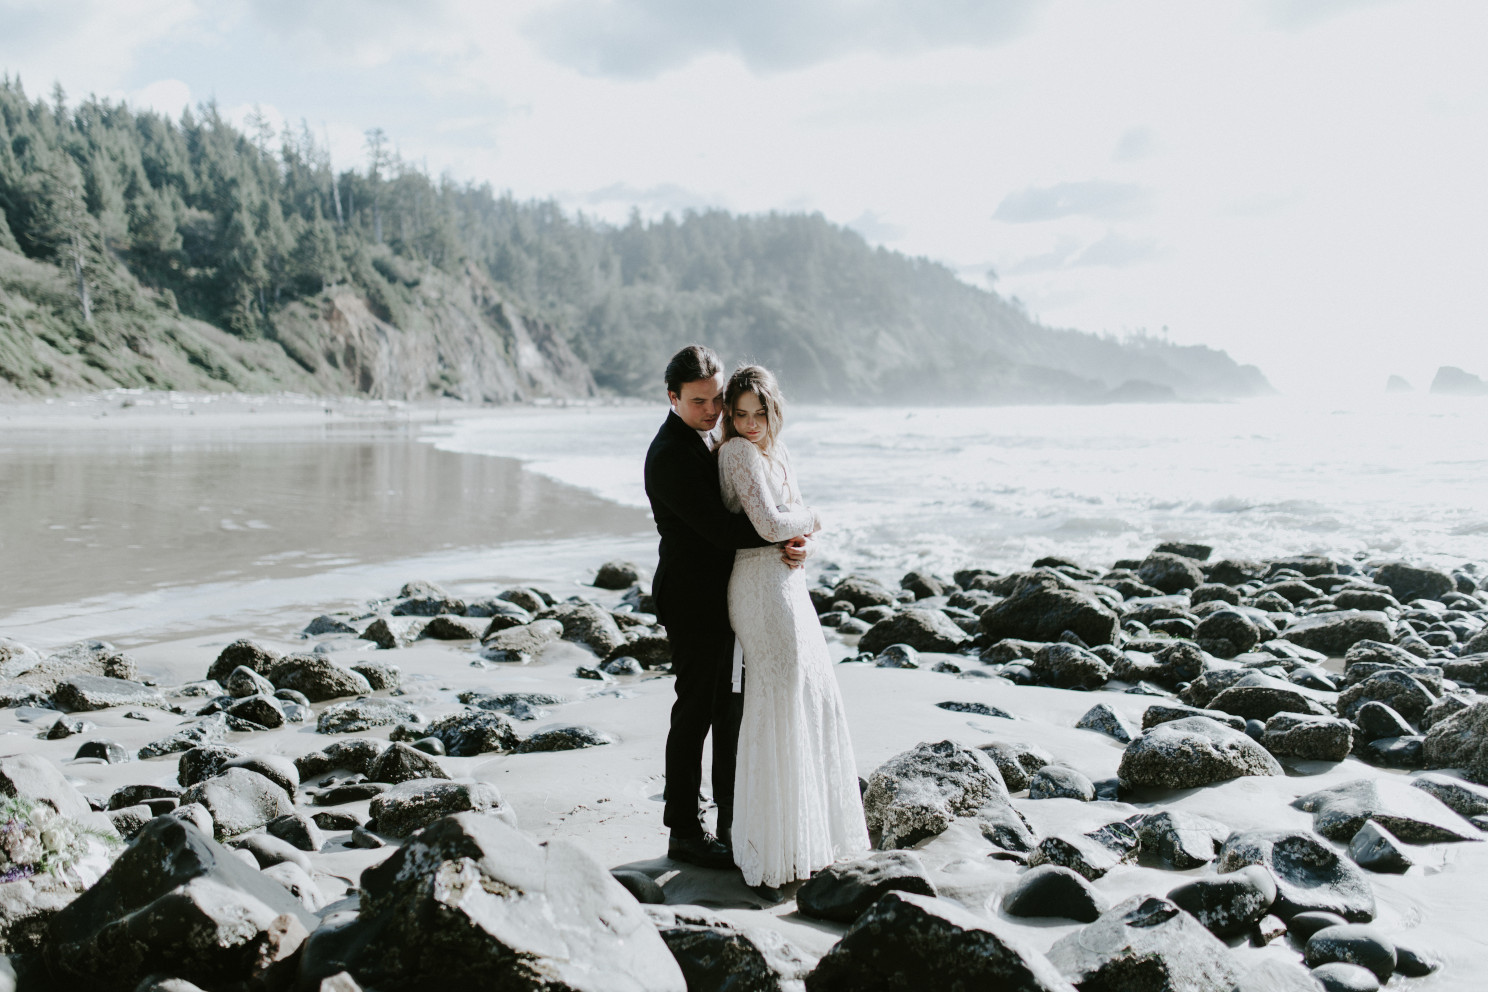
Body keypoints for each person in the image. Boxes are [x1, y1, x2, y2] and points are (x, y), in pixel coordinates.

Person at [643, 345, 808, 869]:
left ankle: (728, 821)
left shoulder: (708, 438)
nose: (713, 411)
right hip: (691, 598)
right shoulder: (669, 453)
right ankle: (683, 832)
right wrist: (787, 531)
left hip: (724, 595)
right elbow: (718, 529)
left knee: (726, 711)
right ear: (672, 398)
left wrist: (791, 540)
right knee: (694, 712)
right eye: (699, 402)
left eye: (717, 400)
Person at [717, 364, 870, 893]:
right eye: (739, 414)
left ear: (774, 411)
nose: (751, 424)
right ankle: (767, 846)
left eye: (760, 413)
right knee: (776, 699)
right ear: (730, 415)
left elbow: (790, 526)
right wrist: (814, 519)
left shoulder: (777, 452)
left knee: (811, 693)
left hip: (789, 584)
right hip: (758, 588)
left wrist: (803, 542)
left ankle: (808, 838)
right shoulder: (735, 452)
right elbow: (769, 525)